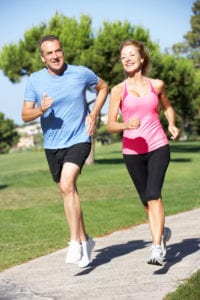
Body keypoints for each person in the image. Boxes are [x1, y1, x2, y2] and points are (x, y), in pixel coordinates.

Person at [22, 35, 108, 268]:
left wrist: (94, 114)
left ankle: (73, 243)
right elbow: (25, 114)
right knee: (70, 192)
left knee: (67, 185)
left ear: (63, 52)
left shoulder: (80, 73)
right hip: (52, 145)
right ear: (43, 58)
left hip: (79, 138)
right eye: (49, 53)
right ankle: (86, 240)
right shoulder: (35, 81)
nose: (55, 56)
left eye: (58, 51)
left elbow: (103, 88)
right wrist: (41, 109)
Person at [107, 39, 179, 266]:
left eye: (131, 55)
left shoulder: (156, 85)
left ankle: (157, 248)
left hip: (158, 145)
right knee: (146, 202)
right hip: (132, 152)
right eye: (123, 56)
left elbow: (166, 106)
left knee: (154, 194)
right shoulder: (118, 90)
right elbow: (110, 124)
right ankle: (162, 233)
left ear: (141, 58)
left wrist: (172, 124)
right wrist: (124, 126)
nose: (126, 59)